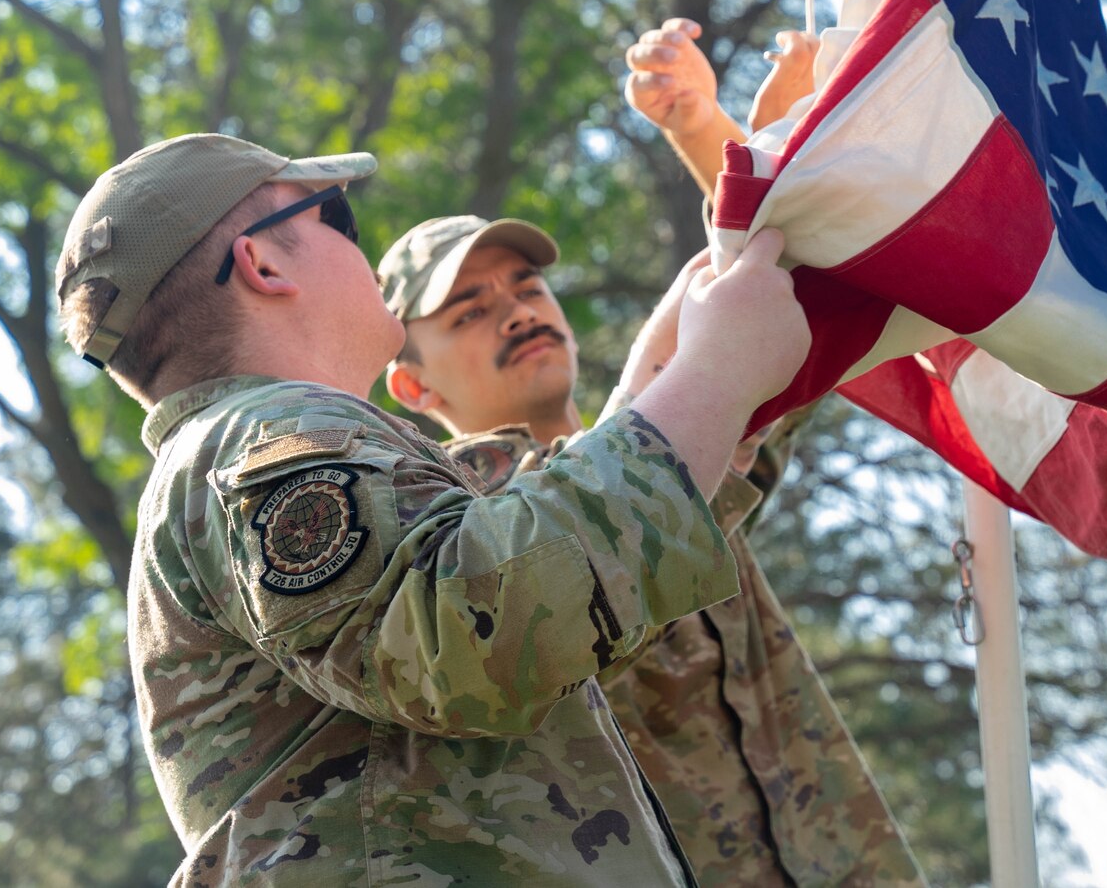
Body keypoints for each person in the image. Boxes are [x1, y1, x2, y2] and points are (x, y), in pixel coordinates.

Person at [52, 131, 808, 886]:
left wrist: (672, 377)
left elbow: (538, 606)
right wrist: (713, 376)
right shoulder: (269, 438)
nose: (360, 246)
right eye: (333, 219)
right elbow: (474, 631)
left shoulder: (251, 449)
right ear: (263, 263)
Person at [378, 201, 925, 875]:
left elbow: (787, 295)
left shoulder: (677, 431)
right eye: (469, 311)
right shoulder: (456, 535)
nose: (518, 313)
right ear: (411, 382)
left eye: (528, 288)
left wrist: (705, 134)